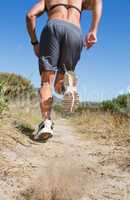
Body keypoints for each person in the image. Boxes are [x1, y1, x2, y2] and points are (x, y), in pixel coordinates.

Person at [26, 0, 103, 140]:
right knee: (59, 85)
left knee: (46, 82)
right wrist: (93, 30)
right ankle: (69, 87)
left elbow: (30, 15)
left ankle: (46, 123)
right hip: (75, 32)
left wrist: (34, 42)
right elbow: (98, 1)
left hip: (53, 28)